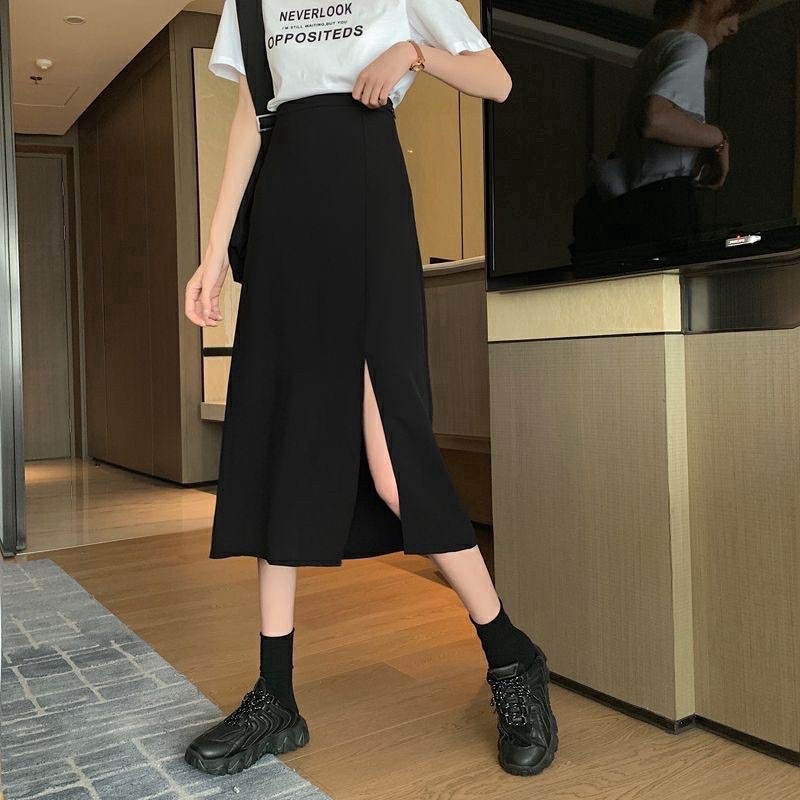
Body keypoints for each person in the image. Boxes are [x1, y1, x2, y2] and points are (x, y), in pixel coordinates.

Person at [182, 0, 558, 780]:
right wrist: (213, 253)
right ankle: (275, 697)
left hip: (365, 207)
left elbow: (496, 80)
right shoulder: (251, 3)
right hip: (284, 224)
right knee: (283, 445)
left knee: (393, 467)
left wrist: (415, 55)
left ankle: (512, 657)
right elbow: (252, 118)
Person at [571, 0, 757, 260]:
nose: (735, 26)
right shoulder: (692, 45)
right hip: (661, 210)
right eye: (734, 10)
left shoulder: (655, 49)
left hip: (617, 210)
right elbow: (655, 120)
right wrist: (719, 139)